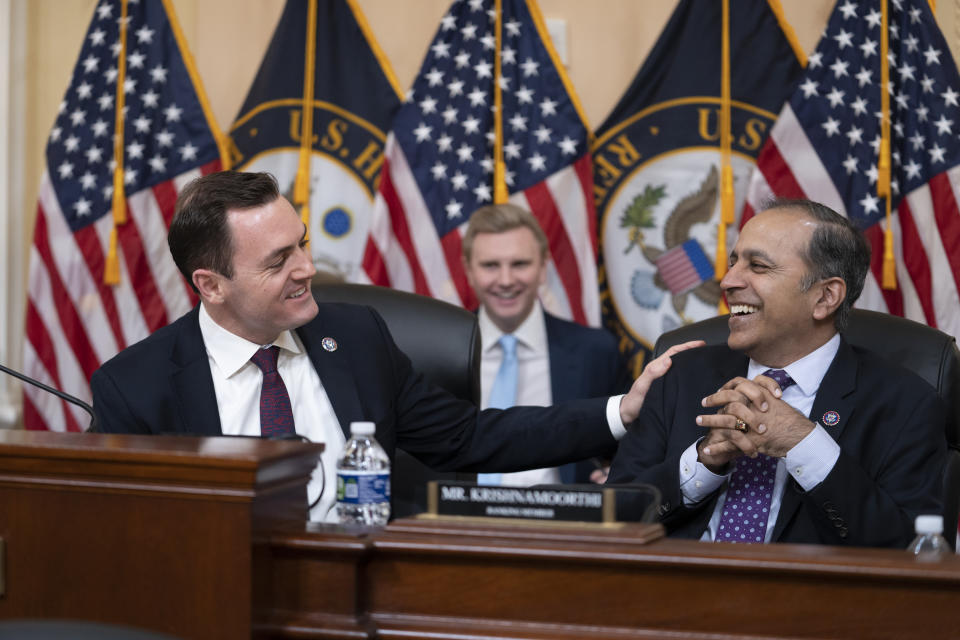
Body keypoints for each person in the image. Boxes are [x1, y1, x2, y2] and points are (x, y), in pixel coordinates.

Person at [90, 171, 700, 521]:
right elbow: (113, 532)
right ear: (211, 285)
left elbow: (472, 438)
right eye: (279, 261)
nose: (307, 267)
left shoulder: (354, 338)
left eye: (301, 243)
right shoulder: (137, 387)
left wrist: (619, 411)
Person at [607, 198, 947, 547]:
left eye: (758, 266)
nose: (728, 281)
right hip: (675, 592)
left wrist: (806, 444)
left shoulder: (905, 403)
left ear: (825, 297)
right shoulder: (681, 376)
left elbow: (907, 550)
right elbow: (612, 516)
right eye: (734, 262)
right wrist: (703, 460)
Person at [461, 203, 630, 486]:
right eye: (491, 265)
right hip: (454, 520)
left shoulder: (595, 352)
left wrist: (620, 475)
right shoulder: (439, 352)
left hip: (562, 522)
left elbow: (634, 446)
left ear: (543, 268)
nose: (505, 280)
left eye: (520, 264)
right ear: (469, 271)